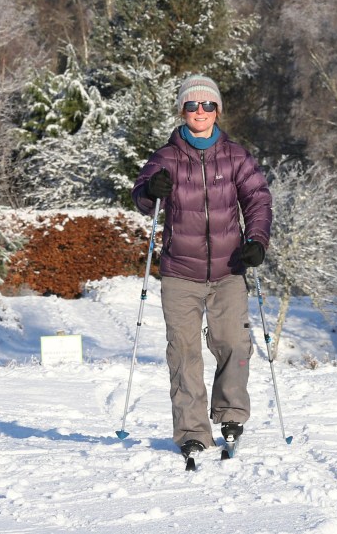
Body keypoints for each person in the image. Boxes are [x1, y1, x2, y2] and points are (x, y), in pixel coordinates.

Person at [132, 74, 273, 458]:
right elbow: (142, 197)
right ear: (182, 110)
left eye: (208, 105)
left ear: (217, 110)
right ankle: (193, 431)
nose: (200, 112)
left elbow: (258, 200)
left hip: (229, 269)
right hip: (180, 273)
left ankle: (230, 415)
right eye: (192, 105)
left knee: (233, 342)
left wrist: (256, 242)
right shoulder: (165, 157)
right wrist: (150, 190)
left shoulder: (236, 156)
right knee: (184, 351)